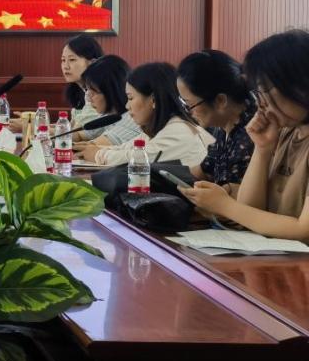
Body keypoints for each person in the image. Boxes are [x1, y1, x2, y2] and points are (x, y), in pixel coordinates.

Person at [182, 30, 309, 238]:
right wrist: (262, 149)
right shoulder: (287, 132)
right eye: (257, 93)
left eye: (264, 92)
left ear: (298, 84)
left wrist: (225, 206)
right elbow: (251, 208)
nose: (260, 103)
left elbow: (303, 229)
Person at [86, 62, 213, 166]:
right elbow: (125, 148)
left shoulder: (178, 130)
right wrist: (95, 150)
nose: (127, 106)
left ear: (154, 100)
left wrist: (97, 154)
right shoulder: (158, 128)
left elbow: (135, 159)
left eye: (130, 98)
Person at [176, 49, 256, 193]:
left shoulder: (252, 133)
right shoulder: (223, 126)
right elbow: (205, 170)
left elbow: (239, 197)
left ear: (220, 100)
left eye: (190, 105)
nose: (189, 112)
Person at [9, 35, 103, 134]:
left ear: (92, 62)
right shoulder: (81, 91)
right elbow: (71, 128)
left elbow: (77, 135)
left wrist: (30, 127)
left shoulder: (99, 94)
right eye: (63, 60)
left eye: (72, 60)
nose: (65, 66)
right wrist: (32, 123)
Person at [75, 55, 142, 155]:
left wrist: (59, 142)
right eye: (87, 90)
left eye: (94, 92)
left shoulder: (132, 118)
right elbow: (81, 135)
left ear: (112, 92)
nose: (89, 98)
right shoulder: (110, 115)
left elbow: (89, 148)